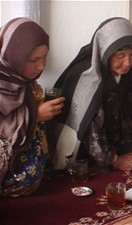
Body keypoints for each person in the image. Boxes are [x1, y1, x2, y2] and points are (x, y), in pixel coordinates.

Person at [48, 17, 132, 172]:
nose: (127, 63)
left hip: (108, 138)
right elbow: (85, 122)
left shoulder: (127, 74)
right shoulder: (84, 75)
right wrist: (114, 160)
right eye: (120, 55)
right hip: (81, 145)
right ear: (104, 49)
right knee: (101, 98)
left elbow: (127, 111)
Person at [0, 17, 65, 197]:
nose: (41, 66)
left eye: (45, 57)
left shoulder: (24, 81)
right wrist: (33, 115)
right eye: (33, 59)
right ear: (13, 55)